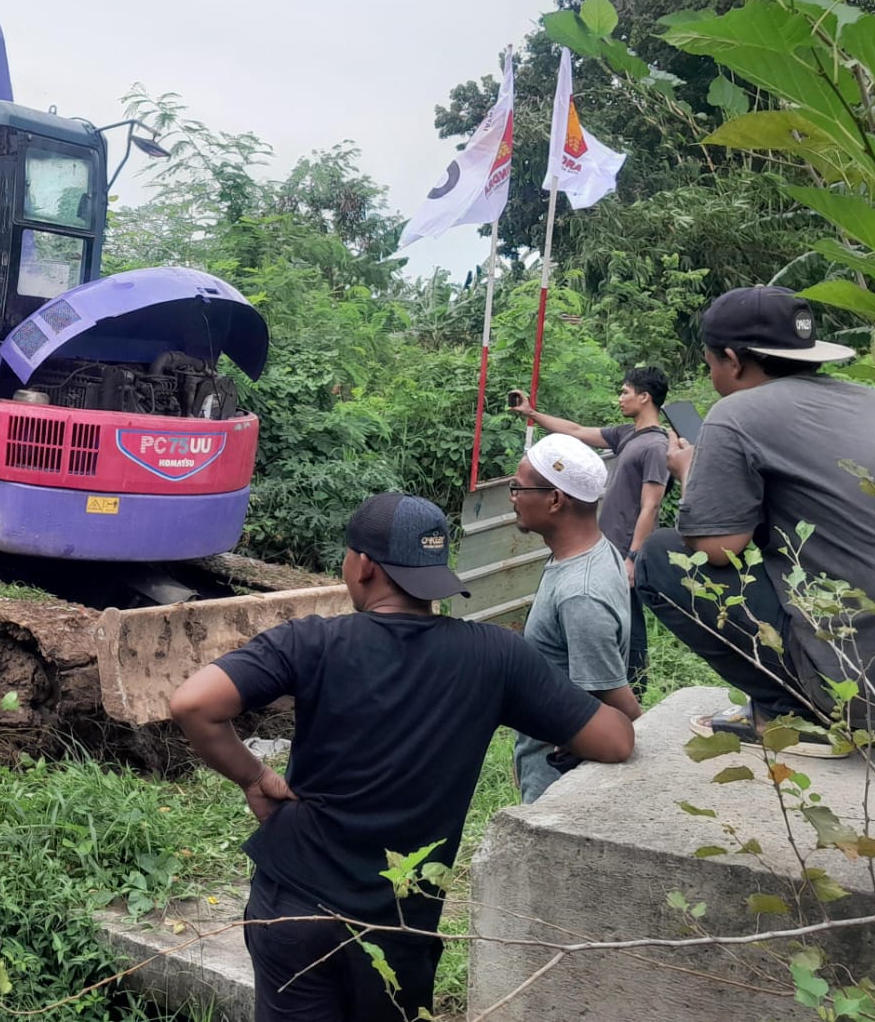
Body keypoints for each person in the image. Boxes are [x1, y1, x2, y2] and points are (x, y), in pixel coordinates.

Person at [170, 492, 635, 1022]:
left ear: (363, 566)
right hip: (400, 919)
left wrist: (253, 776)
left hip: (295, 904)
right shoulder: (496, 656)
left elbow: (194, 703)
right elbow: (615, 741)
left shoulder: (313, 641)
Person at [635, 285, 875, 756]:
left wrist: (692, 472)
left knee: (660, 556)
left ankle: (795, 714)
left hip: (865, 686)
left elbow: (716, 548)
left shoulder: (734, 413)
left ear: (732, 361)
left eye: (710, 362)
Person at [508, 367, 673, 694]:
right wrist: (532, 413)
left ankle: (633, 690)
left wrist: (633, 556)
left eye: (626, 392)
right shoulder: (629, 434)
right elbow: (576, 430)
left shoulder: (656, 445)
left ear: (645, 397)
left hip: (627, 550)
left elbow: (651, 505)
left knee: (628, 623)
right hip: (609, 544)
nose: (620, 398)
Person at [509, 434, 643, 803]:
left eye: (518, 488)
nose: (513, 497)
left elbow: (616, 700)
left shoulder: (580, 593)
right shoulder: (598, 552)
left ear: (555, 499)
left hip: (561, 789)